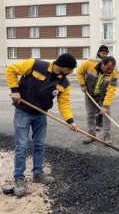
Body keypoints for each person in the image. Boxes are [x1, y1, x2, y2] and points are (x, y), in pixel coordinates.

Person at [5, 53, 79, 197]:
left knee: (39, 144)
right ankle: (18, 178)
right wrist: (15, 90)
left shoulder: (64, 83)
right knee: (22, 145)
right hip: (23, 112)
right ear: (62, 66)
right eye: (70, 69)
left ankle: (37, 173)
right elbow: (11, 70)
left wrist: (70, 121)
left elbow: (64, 103)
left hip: (40, 114)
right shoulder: (35, 64)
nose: (71, 72)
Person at [77, 56, 118, 145]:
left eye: (112, 69)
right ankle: (91, 135)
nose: (110, 71)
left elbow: (111, 90)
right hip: (90, 94)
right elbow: (79, 72)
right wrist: (82, 85)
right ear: (103, 64)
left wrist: (105, 106)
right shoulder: (89, 63)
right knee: (90, 114)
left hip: (103, 96)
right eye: (108, 68)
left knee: (106, 115)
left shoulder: (114, 74)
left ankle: (106, 137)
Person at [91, 45, 110, 131]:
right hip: (91, 90)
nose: (105, 55)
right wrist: (83, 85)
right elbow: (81, 72)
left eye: (106, 53)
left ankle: (98, 123)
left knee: (101, 108)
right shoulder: (92, 62)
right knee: (92, 110)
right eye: (103, 53)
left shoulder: (108, 63)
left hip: (102, 91)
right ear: (98, 52)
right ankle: (93, 127)